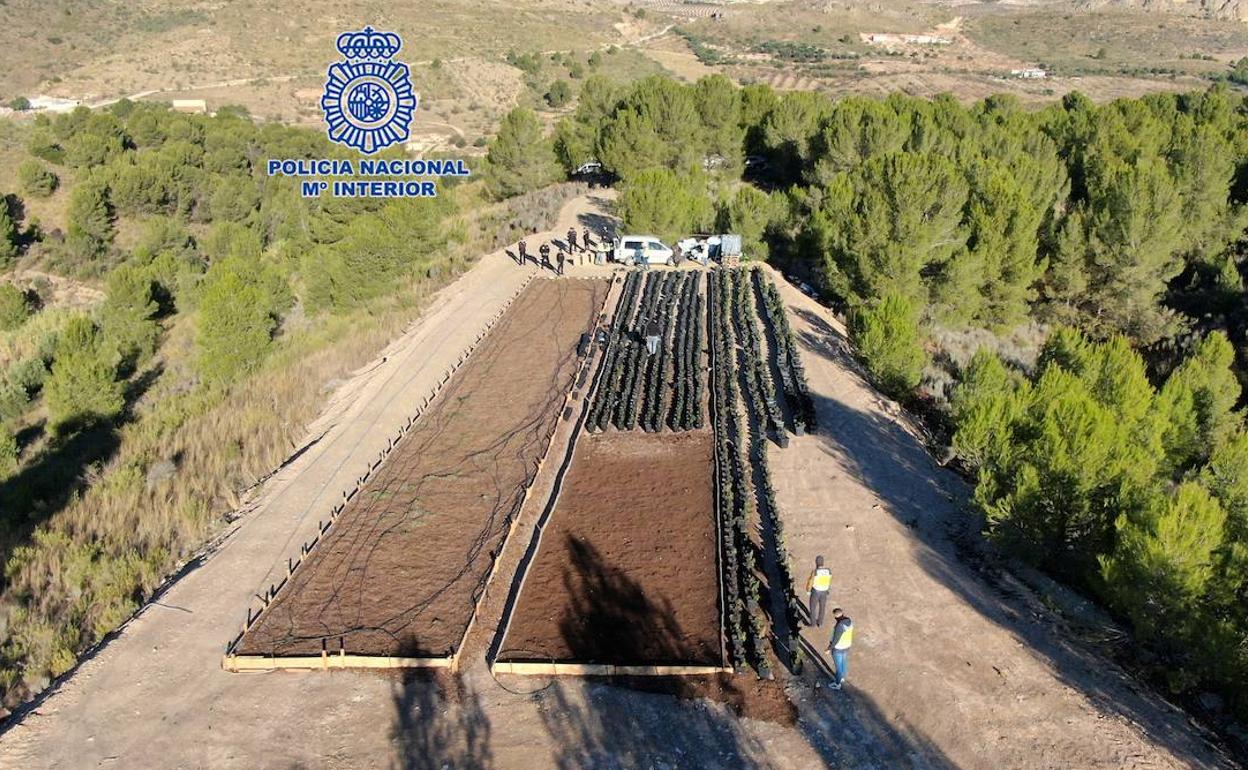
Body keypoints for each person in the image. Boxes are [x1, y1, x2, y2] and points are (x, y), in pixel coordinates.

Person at [827, 608, 853, 690]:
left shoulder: (839, 626)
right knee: (844, 662)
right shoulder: (850, 622)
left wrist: (829, 648)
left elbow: (836, 639)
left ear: (835, 617)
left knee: (838, 667)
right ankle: (842, 677)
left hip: (838, 648)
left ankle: (837, 684)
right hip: (847, 645)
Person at [805, 555, 832, 627]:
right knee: (822, 607)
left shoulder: (815, 572)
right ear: (823, 563)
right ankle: (820, 623)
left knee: (813, 608)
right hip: (824, 591)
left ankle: (813, 623)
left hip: (816, 591)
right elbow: (829, 581)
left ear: (816, 563)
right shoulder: (828, 571)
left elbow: (810, 581)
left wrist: (808, 590)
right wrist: (827, 589)